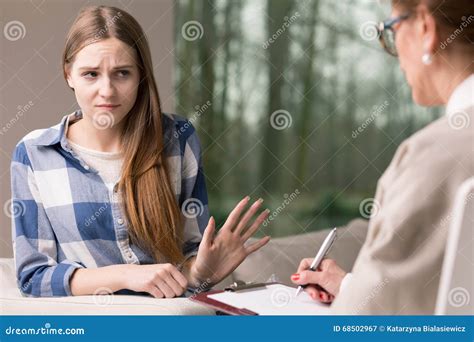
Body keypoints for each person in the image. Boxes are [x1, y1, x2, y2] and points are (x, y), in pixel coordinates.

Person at [10, 5, 270, 298]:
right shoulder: (34, 153)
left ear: (141, 76)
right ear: (68, 74)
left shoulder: (178, 139)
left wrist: (201, 272)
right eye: (91, 74)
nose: (107, 91)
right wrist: (126, 275)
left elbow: (188, 267)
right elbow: (34, 278)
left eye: (122, 73)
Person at [290, 0, 473, 314]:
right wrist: (352, 288)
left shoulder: (431, 157)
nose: (396, 54)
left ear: (426, 29)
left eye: (391, 30)